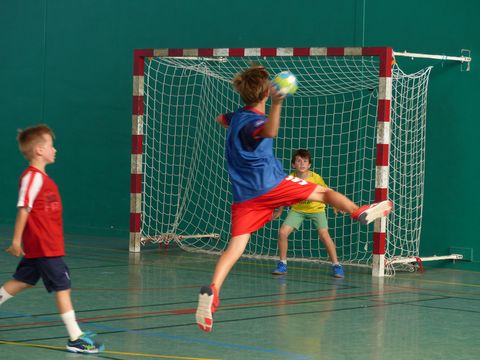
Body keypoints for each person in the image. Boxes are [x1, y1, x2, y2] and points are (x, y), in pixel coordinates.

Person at [195, 66, 392, 332]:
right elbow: (270, 131)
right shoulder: (253, 122)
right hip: (269, 183)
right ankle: (358, 212)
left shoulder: (238, 117)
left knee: (237, 244)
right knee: (321, 191)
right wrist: (277, 103)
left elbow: (221, 118)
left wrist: (231, 118)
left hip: (245, 196)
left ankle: (213, 290)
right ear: (266, 92)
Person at [0, 125, 104, 354]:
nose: (55, 150)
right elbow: (23, 209)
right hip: (45, 247)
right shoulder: (32, 178)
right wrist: (16, 241)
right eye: (50, 146)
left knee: (22, 281)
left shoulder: (42, 178)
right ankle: (75, 338)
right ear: (39, 150)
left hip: (43, 246)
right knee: (63, 288)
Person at [271, 149, 345, 278]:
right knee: (282, 232)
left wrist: (336, 205)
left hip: (316, 209)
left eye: (305, 161)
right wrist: (280, 209)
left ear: (309, 165)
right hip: (298, 210)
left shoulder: (316, 178)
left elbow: (327, 192)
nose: (302, 163)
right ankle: (282, 264)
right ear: (293, 165)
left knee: (324, 235)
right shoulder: (290, 178)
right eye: (298, 161)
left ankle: (336, 265)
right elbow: (285, 195)